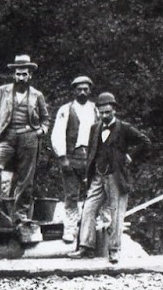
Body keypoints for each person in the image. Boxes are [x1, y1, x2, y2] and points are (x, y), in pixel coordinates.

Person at [75, 91, 149, 261]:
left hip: (116, 177)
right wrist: (89, 172)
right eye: (101, 112)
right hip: (98, 177)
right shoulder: (95, 128)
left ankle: (114, 249)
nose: (104, 115)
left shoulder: (124, 128)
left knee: (116, 214)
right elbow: (93, 152)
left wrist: (131, 156)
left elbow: (145, 142)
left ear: (114, 110)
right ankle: (85, 247)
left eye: (108, 112)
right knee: (88, 209)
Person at [0, 54, 49, 230]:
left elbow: (45, 119)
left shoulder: (37, 95)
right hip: (8, 137)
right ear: (14, 74)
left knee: (25, 178)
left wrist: (41, 131)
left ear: (30, 75)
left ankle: (20, 215)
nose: (21, 77)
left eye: (25, 74)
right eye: (18, 74)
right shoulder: (3, 91)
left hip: (29, 137)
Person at [50, 75, 98, 243]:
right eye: (79, 89)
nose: (83, 92)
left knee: (93, 195)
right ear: (74, 91)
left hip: (91, 157)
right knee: (71, 195)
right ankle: (70, 229)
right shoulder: (66, 109)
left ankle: (88, 229)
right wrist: (62, 157)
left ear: (90, 90)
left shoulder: (95, 110)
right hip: (72, 156)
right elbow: (57, 134)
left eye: (85, 89)